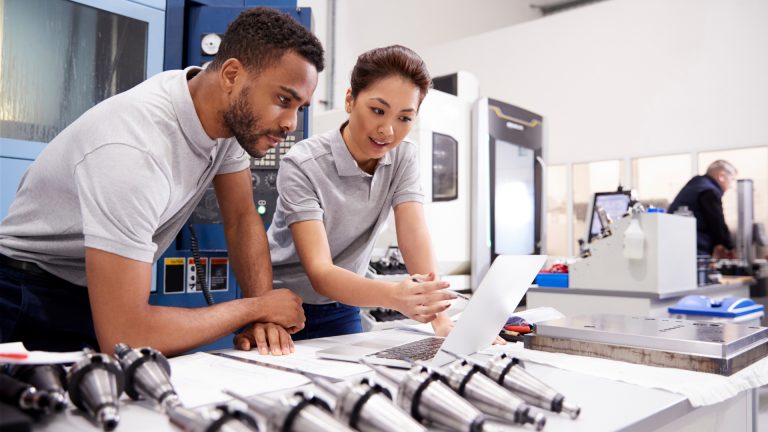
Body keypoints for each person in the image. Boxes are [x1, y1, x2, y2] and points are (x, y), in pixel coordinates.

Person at [0, 8, 324, 356]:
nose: (291, 123)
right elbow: (126, 336)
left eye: (300, 108)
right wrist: (255, 309)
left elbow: (242, 217)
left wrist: (265, 317)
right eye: (283, 100)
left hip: (87, 292)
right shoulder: (134, 149)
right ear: (231, 75)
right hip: (23, 297)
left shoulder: (225, 119)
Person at [245, 45, 458, 348]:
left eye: (404, 118)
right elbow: (320, 271)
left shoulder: (403, 158)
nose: (387, 130)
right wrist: (395, 296)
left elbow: (413, 233)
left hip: (343, 304)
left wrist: (440, 318)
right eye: (377, 110)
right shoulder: (303, 163)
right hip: (284, 308)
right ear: (350, 100)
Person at [668, 160, 737, 259]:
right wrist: (729, 247)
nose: (731, 185)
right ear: (721, 176)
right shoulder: (709, 190)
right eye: (732, 179)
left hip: (676, 243)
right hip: (694, 246)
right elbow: (717, 222)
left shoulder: (697, 184)